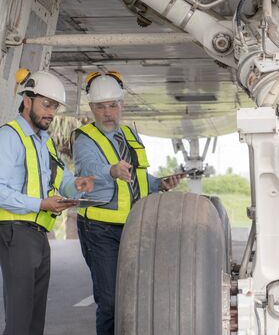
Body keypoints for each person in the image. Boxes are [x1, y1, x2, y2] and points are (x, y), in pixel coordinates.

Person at [72, 71, 184, 335]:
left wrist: (160, 183)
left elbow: (138, 173)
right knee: (110, 301)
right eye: (101, 107)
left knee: (135, 297)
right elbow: (86, 168)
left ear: (122, 105)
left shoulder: (130, 135)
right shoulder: (84, 137)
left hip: (134, 227)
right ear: (92, 108)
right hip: (99, 228)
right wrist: (111, 171)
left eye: (113, 105)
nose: (108, 112)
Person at [0, 69, 95, 335]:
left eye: (54, 106)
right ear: (27, 101)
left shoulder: (45, 142)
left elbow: (62, 177)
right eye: (46, 104)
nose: (51, 112)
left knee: (34, 321)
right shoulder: (9, 137)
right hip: (16, 232)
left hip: (40, 234)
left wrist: (77, 185)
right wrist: (40, 204)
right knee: (19, 322)